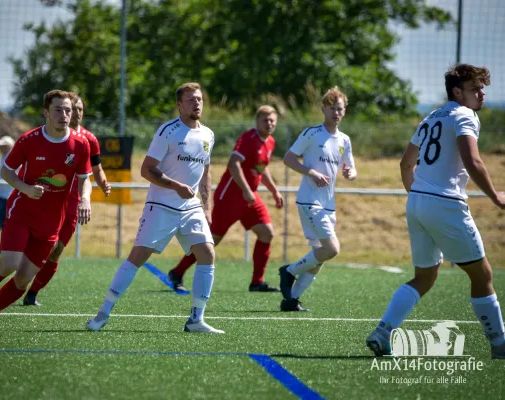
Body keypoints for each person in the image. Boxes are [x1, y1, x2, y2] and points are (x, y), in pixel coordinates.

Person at [366, 64, 505, 358]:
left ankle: (383, 331)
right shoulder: (465, 115)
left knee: (425, 277)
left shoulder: (431, 117)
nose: (481, 93)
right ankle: (500, 346)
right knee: (483, 276)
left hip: (417, 201)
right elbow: (473, 161)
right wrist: (495, 196)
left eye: (482, 88)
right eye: (474, 88)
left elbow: (406, 163)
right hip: (444, 203)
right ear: (457, 92)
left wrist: (417, 194)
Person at [86, 82, 224, 334]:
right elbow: (146, 169)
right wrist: (176, 186)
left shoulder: (208, 135)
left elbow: (206, 172)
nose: (197, 103)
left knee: (207, 254)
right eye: (191, 99)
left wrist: (207, 206)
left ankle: (196, 320)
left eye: (200, 99)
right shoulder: (168, 131)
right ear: (179, 105)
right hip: (161, 206)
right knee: (138, 257)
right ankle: (102, 313)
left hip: (191, 207)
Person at [0, 90, 93, 332]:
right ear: (45, 112)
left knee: (24, 279)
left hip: (51, 221)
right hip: (22, 211)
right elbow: (6, 172)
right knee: (10, 263)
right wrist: (25, 187)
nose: (64, 115)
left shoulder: (80, 143)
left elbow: (85, 177)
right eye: (58, 110)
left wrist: (85, 198)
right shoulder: (29, 140)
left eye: (68, 110)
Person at [168, 105, 283, 293]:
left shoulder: (269, 142)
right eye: (265, 120)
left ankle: (257, 282)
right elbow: (233, 164)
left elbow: (261, 168)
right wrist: (246, 190)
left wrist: (274, 191)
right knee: (211, 240)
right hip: (230, 197)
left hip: (249, 198)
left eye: (272, 121)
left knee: (266, 233)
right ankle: (177, 271)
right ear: (257, 121)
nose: (269, 124)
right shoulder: (249, 139)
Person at [22, 94, 111, 306]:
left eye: (79, 109)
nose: (76, 113)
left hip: (72, 203)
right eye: (74, 108)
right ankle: (15, 278)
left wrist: (103, 184)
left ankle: (32, 293)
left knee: (57, 249)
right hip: (48, 199)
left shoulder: (89, 140)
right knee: (37, 246)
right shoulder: (51, 135)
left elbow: (96, 169)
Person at [278, 87, 356, 312]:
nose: (336, 112)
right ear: (323, 109)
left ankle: (291, 300)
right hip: (309, 200)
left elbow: (351, 167)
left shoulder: (345, 140)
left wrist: (350, 173)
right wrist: (310, 172)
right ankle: (290, 271)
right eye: (332, 108)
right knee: (331, 249)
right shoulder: (312, 133)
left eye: (339, 109)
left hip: (328, 204)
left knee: (319, 256)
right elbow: (289, 159)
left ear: (344, 111)